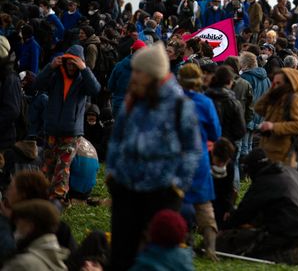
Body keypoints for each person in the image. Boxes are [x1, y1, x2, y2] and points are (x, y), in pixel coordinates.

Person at [106, 42, 201, 271]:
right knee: (120, 254)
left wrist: (177, 186)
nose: (133, 76)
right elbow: (117, 139)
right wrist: (113, 173)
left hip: (162, 191)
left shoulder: (180, 105)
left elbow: (192, 149)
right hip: (126, 188)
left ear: (152, 74)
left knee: (156, 255)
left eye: (138, 71)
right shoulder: (133, 100)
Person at [218, 148, 298, 265]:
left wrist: (225, 225)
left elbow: (244, 212)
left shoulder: (263, 181)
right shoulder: (293, 172)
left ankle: (297, 255)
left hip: (289, 228)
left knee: (255, 252)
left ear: (253, 169)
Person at [33, 45, 101, 202]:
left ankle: (58, 199)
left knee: (63, 167)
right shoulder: (55, 76)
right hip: (51, 130)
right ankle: (42, 194)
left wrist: (85, 69)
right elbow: (37, 84)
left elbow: (95, 89)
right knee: (47, 165)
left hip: (71, 133)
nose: (71, 66)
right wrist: (50, 67)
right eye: (68, 62)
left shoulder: (83, 80)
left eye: (74, 63)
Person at [177, 63, 222, 261]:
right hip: (199, 158)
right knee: (204, 204)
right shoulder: (205, 103)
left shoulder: (172, 102)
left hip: (176, 158)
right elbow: (215, 133)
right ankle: (210, 249)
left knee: (176, 201)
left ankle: (184, 241)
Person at [254, 68, 298, 165]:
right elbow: (258, 108)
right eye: (274, 83)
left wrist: (273, 127)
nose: (275, 86)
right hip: (267, 150)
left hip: (282, 155)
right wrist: (270, 91)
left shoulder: (295, 100)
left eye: (278, 83)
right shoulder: (276, 97)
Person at [3, 200, 68, 271]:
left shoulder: (22, 264)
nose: (16, 230)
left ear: (29, 227)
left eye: (18, 225)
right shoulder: (58, 263)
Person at [107, 40, 146, 118]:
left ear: (132, 50)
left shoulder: (119, 66)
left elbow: (110, 86)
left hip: (119, 105)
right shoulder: (145, 70)